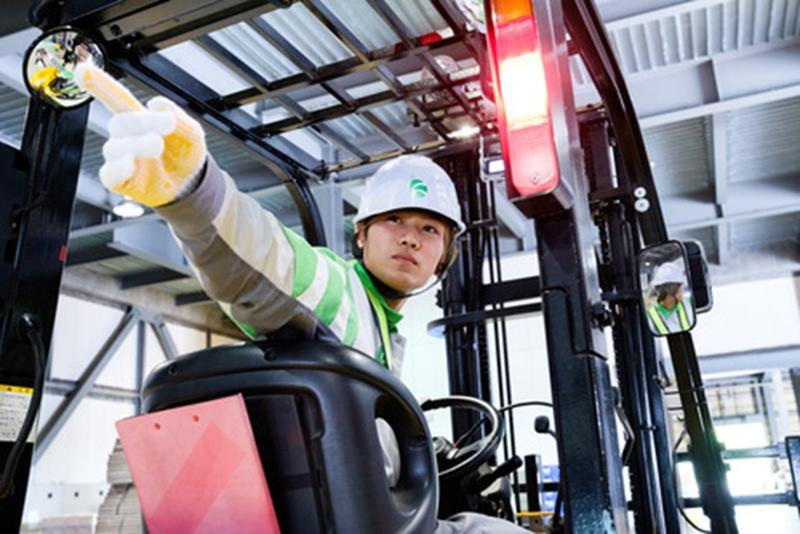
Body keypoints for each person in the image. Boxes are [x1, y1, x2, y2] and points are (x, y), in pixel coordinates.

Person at [85, 74, 529, 533]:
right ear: (361, 234)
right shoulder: (340, 294)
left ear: (444, 257)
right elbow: (267, 260)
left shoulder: (382, 332)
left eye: (429, 229)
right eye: (394, 220)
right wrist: (197, 193)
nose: (410, 238)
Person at [646, 261, 694, 335]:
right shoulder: (650, 317)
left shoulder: (688, 305)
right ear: (672, 289)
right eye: (681, 286)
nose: (682, 290)